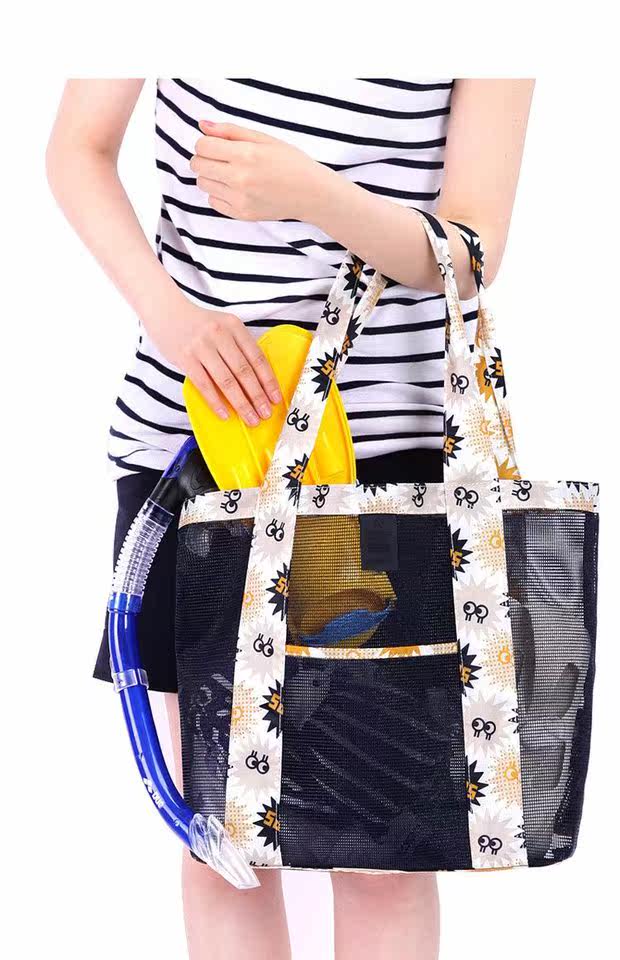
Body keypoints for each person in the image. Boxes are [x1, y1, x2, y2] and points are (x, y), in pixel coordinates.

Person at [46, 77, 534, 960]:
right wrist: (175, 321)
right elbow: (77, 148)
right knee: (224, 841)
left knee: (383, 854)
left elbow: (471, 250)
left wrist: (315, 194)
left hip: (385, 472)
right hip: (204, 447)